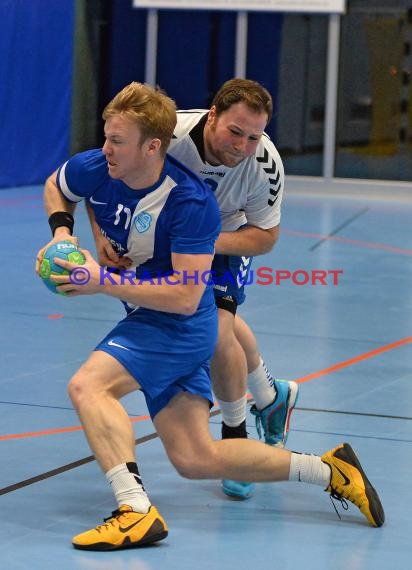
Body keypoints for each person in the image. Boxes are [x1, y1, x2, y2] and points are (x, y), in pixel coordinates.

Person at [35, 81, 384, 552]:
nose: (106, 148)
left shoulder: (192, 203)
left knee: (88, 386)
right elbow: (60, 186)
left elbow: (183, 297)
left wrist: (99, 280)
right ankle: (329, 469)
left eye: (117, 140)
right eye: (107, 137)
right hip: (158, 310)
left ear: (152, 147)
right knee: (194, 459)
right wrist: (62, 235)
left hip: (175, 323)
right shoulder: (104, 163)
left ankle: (134, 509)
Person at [88, 78, 298, 500]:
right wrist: (100, 236)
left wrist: (200, 242)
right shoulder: (169, 136)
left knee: (219, 329)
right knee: (219, 326)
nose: (242, 145)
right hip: (168, 239)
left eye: (253, 137)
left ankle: (236, 434)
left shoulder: (264, 166)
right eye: (234, 132)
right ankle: (272, 396)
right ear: (212, 115)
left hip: (226, 237)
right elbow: (100, 178)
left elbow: (266, 237)